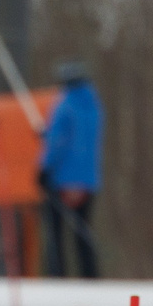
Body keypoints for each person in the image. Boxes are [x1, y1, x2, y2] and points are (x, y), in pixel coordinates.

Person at [39, 59, 102, 280]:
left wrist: (44, 168)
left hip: (62, 180)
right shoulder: (94, 106)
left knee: (55, 235)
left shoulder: (64, 105)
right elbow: (79, 142)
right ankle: (90, 276)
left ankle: (57, 277)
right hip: (88, 182)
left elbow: (58, 142)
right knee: (82, 232)